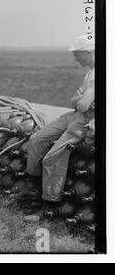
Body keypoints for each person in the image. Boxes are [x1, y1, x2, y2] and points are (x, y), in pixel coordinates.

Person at [22, 35, 95, 222]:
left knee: (52, 158)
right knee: (37, 140)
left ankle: (48, 206)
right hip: (76, 115)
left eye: (77, 54)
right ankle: (31, 190)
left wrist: (80, 100)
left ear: (88, 53)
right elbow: (75, 102)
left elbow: (82, 106)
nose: (75, 59)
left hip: (87, 120)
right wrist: (80, 100)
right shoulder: (90, 72)